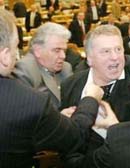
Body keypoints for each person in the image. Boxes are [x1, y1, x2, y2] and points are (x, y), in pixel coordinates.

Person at [0, 9, 104, 168]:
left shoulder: (67, 69)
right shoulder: (27, 98)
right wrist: (91, 99)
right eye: (16, 47)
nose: (17, 55)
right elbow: (74, 137)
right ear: (5, 55)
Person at [61, 25, 130, 155]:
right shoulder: (70, 85)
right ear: (89, 59)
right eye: (106, 51)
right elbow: (68, 146)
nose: (115, 57)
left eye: (118, 49)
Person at [13, 22, 73, 109]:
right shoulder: (24, 69)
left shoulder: (66, 68)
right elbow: (27, 113)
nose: (63, 56)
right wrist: (60, 117)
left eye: (64, 50)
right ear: (37, 51)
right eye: (57, 50)